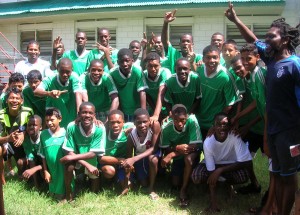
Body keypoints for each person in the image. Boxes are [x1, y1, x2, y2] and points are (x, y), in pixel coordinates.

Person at [225, 3, 300, 214]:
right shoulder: (270, 58)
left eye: (271, 37)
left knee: (288, 176)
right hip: (274, 130)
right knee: (276, 173)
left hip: (290, 132)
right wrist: (236, 20)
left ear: (284, 40)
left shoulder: (294, 64)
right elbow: (253, 40)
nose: (267, 41)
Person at [192, 112, 255, 213]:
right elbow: (211, 170)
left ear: (230, 126)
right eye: (218, 124)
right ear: (213, 126)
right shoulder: (208, 142)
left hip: (230, 164)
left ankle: (227, 184)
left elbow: (244, 161)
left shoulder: (235, 136)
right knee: (196, 176)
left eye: (225, 124)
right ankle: (211, 186)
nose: (222, 127)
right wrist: (213, 202)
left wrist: (220, 170)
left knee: (243, 176)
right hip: (214, 163)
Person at [61, 102, 106, 201]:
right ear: (78, 114)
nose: (87, 115)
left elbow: (94, 153)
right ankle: (68, 195)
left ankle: (85, 180)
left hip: (93, 162)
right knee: (69, 166)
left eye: (90, 113)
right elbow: (69, 151)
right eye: (84, 112)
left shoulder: (100, 128)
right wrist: (86, 164)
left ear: (94, 115)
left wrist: (71, 157)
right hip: (79, 162)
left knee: (94, 191)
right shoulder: (72, 126)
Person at [160, 104, 202, 207]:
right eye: (176, 120)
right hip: (178, 155)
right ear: (171, 117)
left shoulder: (192, 120)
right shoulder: (166, 127)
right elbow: (166, 147)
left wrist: (171, 154)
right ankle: (182, 178)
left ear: (187, 117)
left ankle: (184, 190)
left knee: (188, 159)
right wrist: (176, 148)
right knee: (175, 183)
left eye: (182, 120)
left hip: (193, 152)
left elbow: (193, 146)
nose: (179, 123)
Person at [196, 45, 236, 139]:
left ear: (219, 58)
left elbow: (229, 104)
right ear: (203, 59)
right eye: (208, 57)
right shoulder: (200, 70)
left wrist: (215, 125)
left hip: (213, 125)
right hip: (198, 121)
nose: (212, 61)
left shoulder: (225, 77)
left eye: (215, 57)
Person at [122, 108, 160, 199]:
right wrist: (126, 183)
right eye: (139, 122)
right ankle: (137, 179)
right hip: (140, 158)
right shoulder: (131, 137)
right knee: (143, 183)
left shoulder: (155, 126)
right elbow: (129, 159)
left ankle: (151, 188)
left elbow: (154, 148)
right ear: (134, 123)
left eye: (145, 121)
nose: (142, 125)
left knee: (153, 159)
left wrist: (134, 159)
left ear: (149, 121)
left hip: (153, 154)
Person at [34, 58, 82, 128]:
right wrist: (49, 93)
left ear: (72, 70)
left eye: (68, 72)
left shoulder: (74, 77)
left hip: (70, 111)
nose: (65, 74)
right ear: (57, 69)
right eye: (62, 71)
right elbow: (36, 92)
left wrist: (79, 113)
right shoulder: (50, 79)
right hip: (55, 111)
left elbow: (78, 94)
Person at [0, 88, 33, 181]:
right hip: (10, 143)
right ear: (6, 100)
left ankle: (22, 169)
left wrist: (23, 133)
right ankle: (2, 180)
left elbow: (33, 128)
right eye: (11, 98)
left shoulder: (28, 112)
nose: (14, 101)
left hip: (25, 143)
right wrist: (8, 138)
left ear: (22, 101)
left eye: (17, 98)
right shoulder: (1, 115)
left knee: (21, 164)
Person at [98, 110, 134, 194]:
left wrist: (134, 129)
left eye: (118, 122)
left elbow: (144, 123)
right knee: (109, 171)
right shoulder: (103, 133)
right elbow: (101, 158)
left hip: (122, 164)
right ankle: (107, 179)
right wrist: (120, 160)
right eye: (112, 123)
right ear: (108, 123)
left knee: (129, 187)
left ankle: (119, 178)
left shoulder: (128, 128)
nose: (115, 125)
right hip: (109, 163)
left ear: (123, 122)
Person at [110, 48, 148, 122]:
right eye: (121, 61)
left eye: (127, 61)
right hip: (122, 110)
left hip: (137, 110)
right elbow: (114, 95)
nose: (125, 64)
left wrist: (143, 113)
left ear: (132, 61)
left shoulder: (137, 71)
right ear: (117, 62)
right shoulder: (112, 73)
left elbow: (142, 92)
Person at [39, 108, 69, 200]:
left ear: (59, 119)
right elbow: (43, 155)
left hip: (64, 169)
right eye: (47, 120)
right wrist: (45, 170)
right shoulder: (43, 134)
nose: (49, 123)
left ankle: (67, 196)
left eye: (52, 120)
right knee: (53, 197)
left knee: (66, 186)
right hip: (52, 170)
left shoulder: (66, 133)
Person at [143, 52, 171, 122]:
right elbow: (146, 95)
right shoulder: (143, 75)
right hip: (154, 108)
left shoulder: (165, 72)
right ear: (146, 66)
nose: (153, 69)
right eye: (150, 66)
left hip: (168, 108)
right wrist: (156, 113)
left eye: (156, 66)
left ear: (160, 65)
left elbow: (161, 93)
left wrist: (156, 115)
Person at [22, 115, 43, 188]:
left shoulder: (44, 138)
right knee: (23, 162)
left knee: (43, 173)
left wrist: (34, 169)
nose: (31, 127)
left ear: (40, 127)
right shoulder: (26, 140)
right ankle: (36, 184)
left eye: (34, 125)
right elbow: (30, 157)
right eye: (29, 125)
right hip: (36, 160)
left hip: (46, 163)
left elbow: (47, 160)